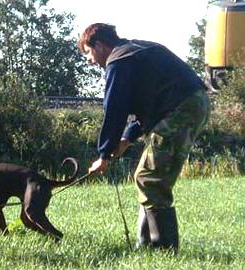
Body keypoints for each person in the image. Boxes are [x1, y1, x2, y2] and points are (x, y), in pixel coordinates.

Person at [79, 23, 210, 252]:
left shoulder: (119, 61)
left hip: (181, 108)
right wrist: (126, 139)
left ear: (99, 45)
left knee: (150, 177)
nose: (89, 60)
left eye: (88, 53)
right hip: (192, 104)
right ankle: (145, 245)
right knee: (147, 175)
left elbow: (115, 110)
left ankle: (163, 250)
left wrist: (103, 154)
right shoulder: (134, 52)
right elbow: (148, 105)